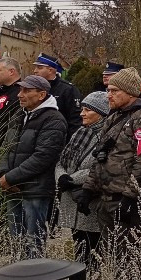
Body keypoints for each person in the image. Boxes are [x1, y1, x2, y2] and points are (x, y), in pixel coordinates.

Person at [78, 68, 141, 255]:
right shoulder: (115, 116)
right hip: (106, 196)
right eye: (108, 90)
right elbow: (101, 156)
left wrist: (129, 197)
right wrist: (88, 188)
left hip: (126, 200)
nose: (109, 95)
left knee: (129, 257)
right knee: (111, 255)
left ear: (130, 92)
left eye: (115, 91)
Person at [0, 75, 67, 259]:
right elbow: (6, 149)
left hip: (35, 189)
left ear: (42, 94)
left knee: (32, 241)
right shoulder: (20, 115)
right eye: (20, 90)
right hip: (12, 188)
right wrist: (2, 174)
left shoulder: (54, 119)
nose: (20, 94)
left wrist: (11, 178)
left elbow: (44, 156)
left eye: (27, 90)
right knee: (15, 240)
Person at [55, 92, 108, 264]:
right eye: (82, 109)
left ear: (101, 113)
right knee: (78, 248)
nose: (82, 113)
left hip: (90, 200)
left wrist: (72, 179)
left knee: (92, 252)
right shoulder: (80, 132)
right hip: (71, 198)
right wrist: (61, 176)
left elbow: (100, 167)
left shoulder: (106, 136)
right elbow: (61, 161)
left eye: (88, 110)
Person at [32, 53, 82, 142]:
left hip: (58, 140)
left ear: (50, 70)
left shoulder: (67, 89)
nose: (35, 71)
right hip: (35, 138)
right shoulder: (33, 88)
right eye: (35, 67)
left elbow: (75, 121)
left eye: (39, 68)